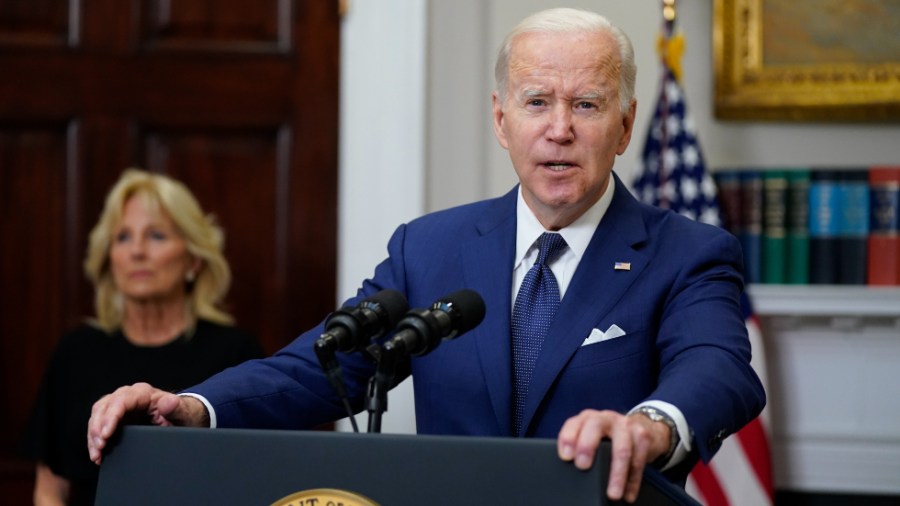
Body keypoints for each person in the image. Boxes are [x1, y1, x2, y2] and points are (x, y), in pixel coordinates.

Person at [87, 8, 765, 503]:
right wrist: (191, 406)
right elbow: (319, 367)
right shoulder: (432, 247)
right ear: (502, 121)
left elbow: (719, 370)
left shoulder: (688, 252)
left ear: (623, 125)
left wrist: (650, 427)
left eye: (586, 104)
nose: (559, 129)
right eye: (537, 103)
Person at [23, 169, 264, 505]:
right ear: (109, 258)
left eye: (156, 236)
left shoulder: (235, 352)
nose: (136, 251)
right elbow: (50, 490)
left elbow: (256, 480)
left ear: (193, 259)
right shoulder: (76, 351)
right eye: (122, 237)